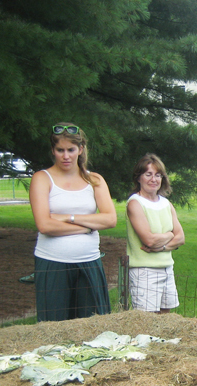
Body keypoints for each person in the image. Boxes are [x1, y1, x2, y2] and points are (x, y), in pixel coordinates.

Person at [29, 123, 117, 322]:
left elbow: (110, 219)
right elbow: (45, 226)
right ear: (53, 151)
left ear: (81, 149)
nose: (66, 156)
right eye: (60, 150)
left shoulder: (94, 180)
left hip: (89, 262)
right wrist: (88, 227)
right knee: (54, 327)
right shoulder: (42, 179)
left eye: (71, 150)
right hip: (52, 263)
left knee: (92, 325)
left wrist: (69, 218)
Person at [126, 153, 185, 313]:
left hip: (167, 268)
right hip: (144, 271)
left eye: (158, 175)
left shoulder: (166, 203)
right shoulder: (135, 203)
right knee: (146, 323)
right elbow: (149, 241)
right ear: (139, 178)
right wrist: (170, 235)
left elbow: (181, 237)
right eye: (148, 174)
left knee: (165, 319)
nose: (154, 179)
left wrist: (163, 247)